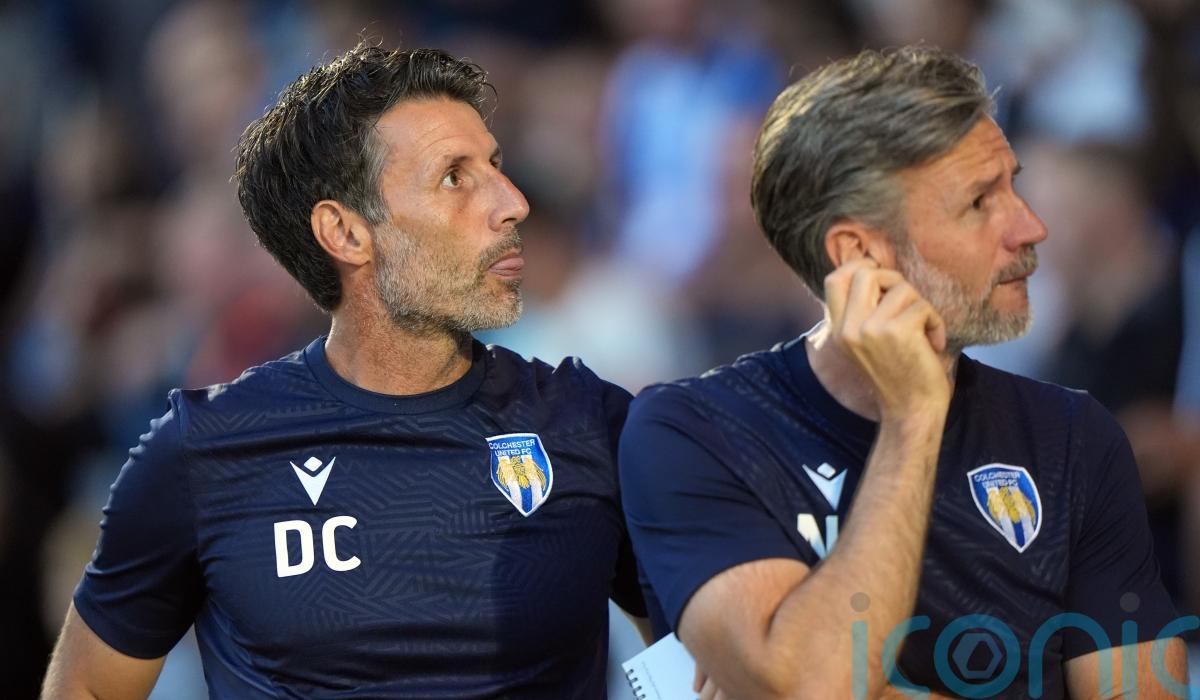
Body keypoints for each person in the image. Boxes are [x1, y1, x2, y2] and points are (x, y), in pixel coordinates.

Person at [41, 44, 645, 699]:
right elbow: (87, 688)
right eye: (454, 177)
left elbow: (692, 659)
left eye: (495, 166)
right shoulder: (207, 451)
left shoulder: (587, 421)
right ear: (346, 233)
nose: (513, 202)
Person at [619, 45, 1190, 699]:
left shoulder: (1073, 435)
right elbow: (816, 684)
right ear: (859, 253)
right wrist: (915, 415)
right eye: (979, 202)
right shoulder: (695, 434)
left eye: (1014, 185)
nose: (1030, 227)